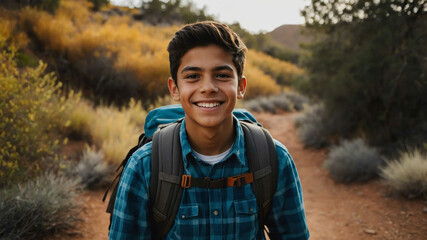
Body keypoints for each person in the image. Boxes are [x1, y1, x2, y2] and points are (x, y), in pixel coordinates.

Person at [109, 21, 309, 239]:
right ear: (175, 89)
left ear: (240, 87)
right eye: (193, 76)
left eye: (222, 75)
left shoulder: (273, 158)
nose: (208, 88)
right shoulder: (144, 165)